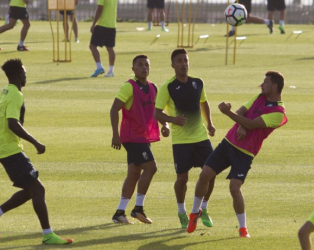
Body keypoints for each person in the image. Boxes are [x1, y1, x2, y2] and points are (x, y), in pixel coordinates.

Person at [187, 71, 288, 237]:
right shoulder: (259, 97)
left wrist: (229, 114)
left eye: (265, 82)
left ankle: (243, 228)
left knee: (234, 188)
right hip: (228, 143)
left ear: (275, 86)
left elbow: (252, 124)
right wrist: (241, 124)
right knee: (204, 174)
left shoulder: (279, 113)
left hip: (245, 153)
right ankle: (194, 213)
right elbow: (242, 112)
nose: (261, 85)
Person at [0, 59, 73, 245]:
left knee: (30, 190)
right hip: (11, 151)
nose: (26, 75)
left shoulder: (5, 91)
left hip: (4, 148)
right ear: (18, 75)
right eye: (24, 72)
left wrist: (2, 136)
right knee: (38, 189)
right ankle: (48, 235)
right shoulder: (16, 95)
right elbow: (12, 123)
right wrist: (36, 142)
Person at [154, 49, 216, 230]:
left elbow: (204, 103)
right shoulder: (168, 87)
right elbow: (156, 113)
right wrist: (171, 121)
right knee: (182, 179)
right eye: (179, 61)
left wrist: (210, 123)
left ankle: (202, 208)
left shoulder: (198, 82)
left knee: (211, 174)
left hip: (201, 137)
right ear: (173, 65)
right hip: (181, 142)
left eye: (186, 60)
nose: (183, 64)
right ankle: (181, 211)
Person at [110, 54, 169, 224]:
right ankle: (138, 209)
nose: (144, 68)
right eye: (140, 65)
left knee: (134, 174)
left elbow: (157, 111)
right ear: (133, 69)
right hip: (132, 137)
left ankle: (119, 213)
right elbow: (114, 109)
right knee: (151, 168)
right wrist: (115, 134)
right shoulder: (128, 87)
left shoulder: (153, 87)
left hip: (142, 138)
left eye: (147, 65)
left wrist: (165, 125)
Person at [89, 0, 118, 77]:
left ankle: (99, 67)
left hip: (102, 24)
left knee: (92, 46)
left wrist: (93, 23)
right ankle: (111, 71)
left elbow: (99, 9)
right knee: (110, 48)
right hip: (112, 25)